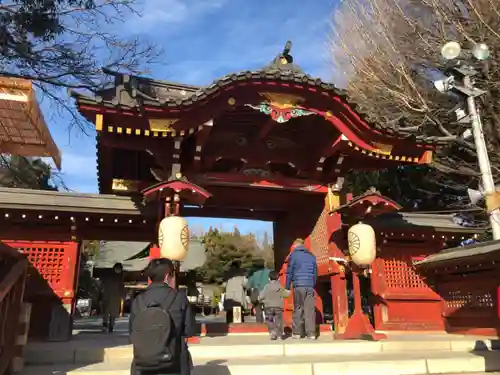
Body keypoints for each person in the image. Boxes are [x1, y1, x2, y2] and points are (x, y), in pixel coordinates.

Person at [129, 258, 196, 375]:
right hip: (173, 363)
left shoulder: (138, 301)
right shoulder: (179, 298)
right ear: (167, 276)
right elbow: (190, 330)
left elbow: (132, 332)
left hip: (143, 365)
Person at [285, 238, 317, 340]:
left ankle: (297, 333)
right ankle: (311, 334)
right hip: (309, 286)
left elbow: (289, 272)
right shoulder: (312, 256)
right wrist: (312, 284)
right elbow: (315, 273)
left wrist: (287, 287)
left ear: (295, 246)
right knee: (309, 310)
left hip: (298, 286)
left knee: (298, 309)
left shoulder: (294, 255)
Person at [259, 270, 290, 340]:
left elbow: (261, 296)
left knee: (269, 320)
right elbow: (286, 294)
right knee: (279, 320)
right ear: (278, 278)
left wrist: (262, 300)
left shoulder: (266, 287)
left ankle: (272, 332)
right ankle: (279, 335)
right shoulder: (280, 287)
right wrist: (288, 290)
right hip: (278, 307)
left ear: (269, 279)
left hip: (268, 306)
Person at [102, 262, 126, 333]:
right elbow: (104, 285)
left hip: (115, 297)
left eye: (119, 269)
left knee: (113, 313)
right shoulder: (109, 276)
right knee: (106, 312)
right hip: (107, 296)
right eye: (117, 269)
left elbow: (122, 287)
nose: (118, 270)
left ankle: (111, 326)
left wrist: (123, 296)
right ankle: (105, 324)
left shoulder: (120, 277)